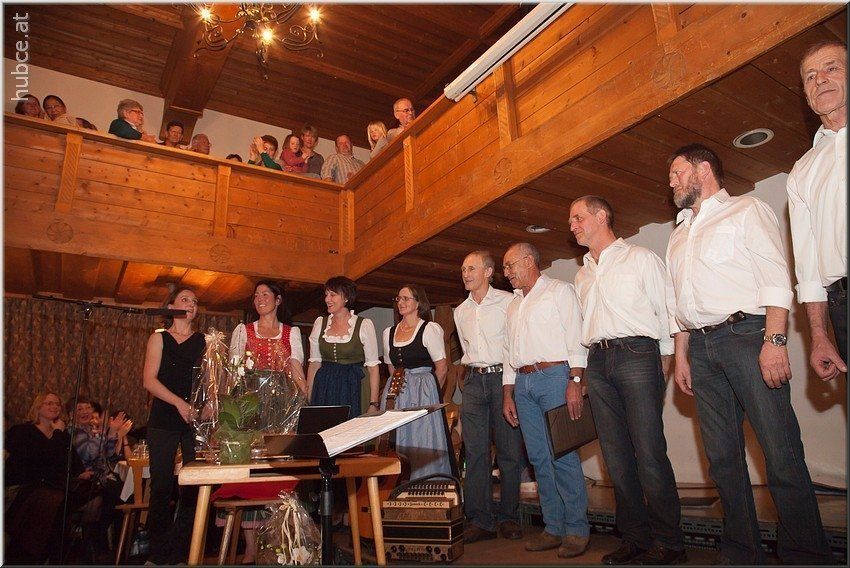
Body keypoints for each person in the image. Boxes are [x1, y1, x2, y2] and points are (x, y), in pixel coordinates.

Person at [665, 143, 831, 564]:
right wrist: (682, 356)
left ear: (704, 170)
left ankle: (806, 555)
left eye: (678, 173)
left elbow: (776, 278)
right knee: (722, 459)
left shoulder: (746, 210)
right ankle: (742, 552)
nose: (672, 182)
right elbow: (677, 304)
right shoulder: (678, 235)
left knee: (779, 451)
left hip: (747, 336)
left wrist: (774, 342)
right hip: (700, 348)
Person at [569, 196, 685, 565]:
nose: (572, 226)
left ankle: (669, 542)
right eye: (571, 221)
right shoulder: (581, 275)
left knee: (649, 453)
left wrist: (665, 363)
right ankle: (635, 537)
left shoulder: (640, 258)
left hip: (638, 354)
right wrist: (581, 373)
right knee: (616, 458)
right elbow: (582, 328)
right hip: (598, 360)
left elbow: (667, 312)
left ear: (602, 216)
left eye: (578, 218)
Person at [501, 242, 590, 558]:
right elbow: (508, 353)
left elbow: (576, 338)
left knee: (563, 455)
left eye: (510, 265)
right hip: (522, 382)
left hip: (555, 377)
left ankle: (577, 530)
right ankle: (553, 527)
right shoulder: (513, 305)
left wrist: (575, 381)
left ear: (529, 261)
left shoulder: (559, 291)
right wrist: (508, 393)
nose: (506, 273)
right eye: (505, 267)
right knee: (538, 459)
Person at [221, 279, 306, 564]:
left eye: (265, 294)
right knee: (251, 469)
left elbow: (296, 368)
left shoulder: (291, 332)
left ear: (278, 299)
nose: (260, 298)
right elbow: (233, 371)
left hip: (281, 405)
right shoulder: (242, 331)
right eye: (256, 295)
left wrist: (303, 400)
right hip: (249, 403)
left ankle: (276, 540)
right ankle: (250, 546)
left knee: (277, 468)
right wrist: (225, 406)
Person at [787, 40, 847, 381]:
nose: (819, 79)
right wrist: (820, 336)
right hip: (842, 305)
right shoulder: (802, 171)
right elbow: (808, 266)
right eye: (810, 76)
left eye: (831, 68)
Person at [453, 251, 523, 543]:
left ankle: (508, 517)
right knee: (475, 452)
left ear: (489, 271)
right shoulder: (460, 311)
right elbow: (465, 350)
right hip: (473, 382)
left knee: (509, 450)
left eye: (471, 268)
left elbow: (514, 346)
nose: (466, 274)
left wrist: (510, 387)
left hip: (502, 379)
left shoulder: (509, 302)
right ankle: (480, 520)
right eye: (463, 269)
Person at [142, 286, 206, 565]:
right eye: (185, 299)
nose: (191, 304)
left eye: (194, 301)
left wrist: (208, 405)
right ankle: (158, 553)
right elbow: (149, 380)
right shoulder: (159, 338)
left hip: (194, 421)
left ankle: (182, 552)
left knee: (192, 486)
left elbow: (211, 381)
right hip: (163, 419)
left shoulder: (204, 341)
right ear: (171, 307)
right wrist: (179, 403)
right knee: (161, 486)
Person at [5, 392, 89, 564]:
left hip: (52, 488)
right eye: (49, 403)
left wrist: (81, 473)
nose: (54, 407)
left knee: (78, 495)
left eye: (57, 404)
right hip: (26, 486)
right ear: (38, 407)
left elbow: (74, 462)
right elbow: (41, 461)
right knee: (54, 503)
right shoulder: (23, 431)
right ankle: (34, 555)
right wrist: (58, 434)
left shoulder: (61, 433)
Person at [382, 285, 452, 479]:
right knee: (395, 439)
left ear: (419, 303)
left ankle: (425, 482)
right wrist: (399, 389)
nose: (401, 302)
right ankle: (397, 484)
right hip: (396, 391)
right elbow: (391, 367)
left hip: (424, 392)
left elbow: (442, 368)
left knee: (423, 437)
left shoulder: (429, 329)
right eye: (399, 299)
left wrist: (430, 393)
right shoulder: (388, 332)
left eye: (406, 298)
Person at [307, 276, 380, 419]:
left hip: (353, 385)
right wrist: (309, 397)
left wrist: (373, 403)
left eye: (332, 295)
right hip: (325, 386)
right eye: (326, 294)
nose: (327, 299)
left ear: (346, 297)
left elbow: (373, 367)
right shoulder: (320, 323)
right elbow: (315, 364)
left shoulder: (364, 325)